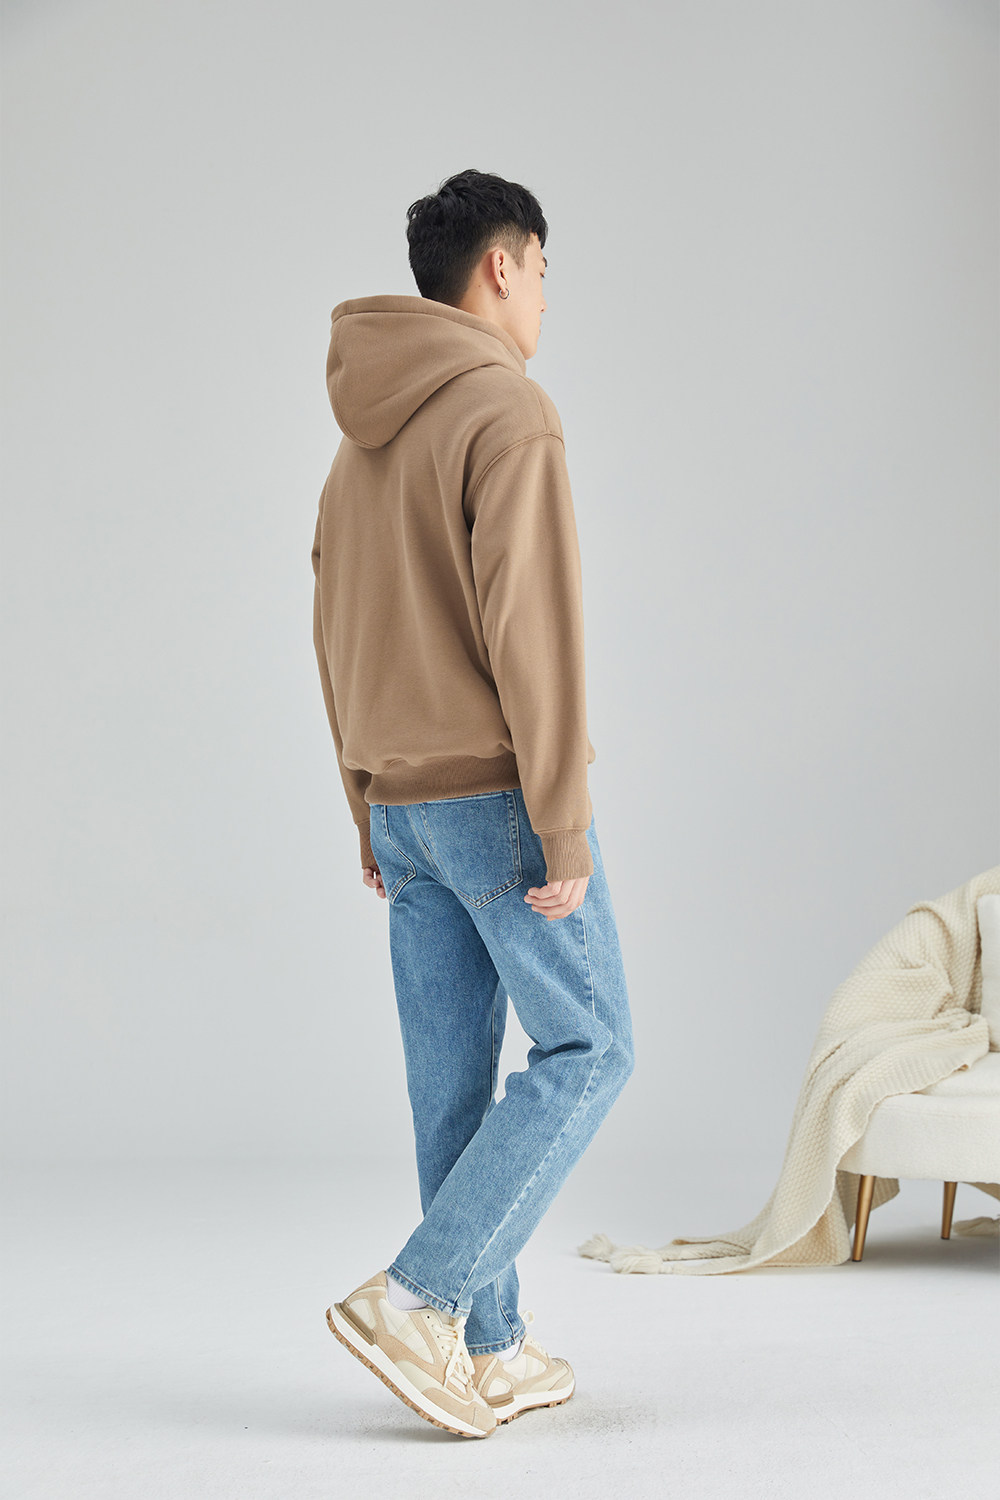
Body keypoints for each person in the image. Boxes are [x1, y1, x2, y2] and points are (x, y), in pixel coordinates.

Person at [311, 168, 635, 1438]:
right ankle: (420, 1298)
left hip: (402, 805)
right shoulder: (508, 411)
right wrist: (560, 816)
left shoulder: (356, 446)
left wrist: (364, 806)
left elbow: (333, 628)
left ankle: (486, 1350)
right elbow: (532, 630)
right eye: (543, 271)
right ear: (501, 265)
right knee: (592, 1047)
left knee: (451, 1088)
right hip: (497, 800)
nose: (546, 298)